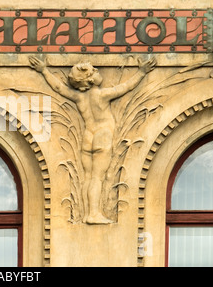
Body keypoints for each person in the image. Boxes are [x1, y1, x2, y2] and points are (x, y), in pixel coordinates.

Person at [29, 56, 156, 224]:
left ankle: (88, 212)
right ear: (89, 79)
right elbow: (126, 87)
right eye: (94, 71)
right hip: (102, 136)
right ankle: (93, 214)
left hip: (88, 137)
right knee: (97, 178)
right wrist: (141, 72)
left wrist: (44, 70)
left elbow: (59, 88)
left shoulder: (79, 98)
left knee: (87, 178)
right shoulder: (103, 95)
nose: (97, 71)